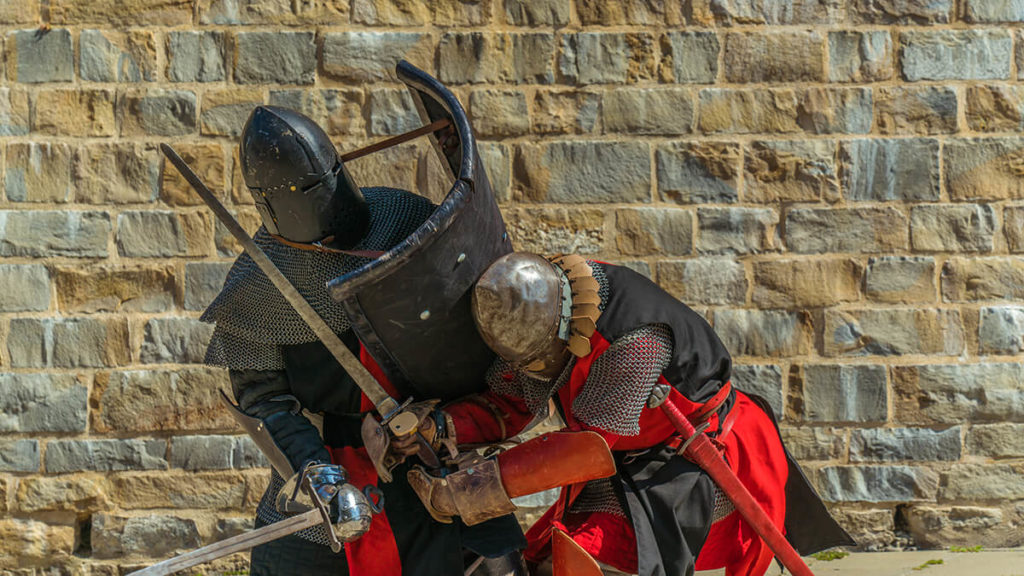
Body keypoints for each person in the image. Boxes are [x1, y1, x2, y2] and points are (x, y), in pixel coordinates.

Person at [201, 104, 524, 575]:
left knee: (488, 562)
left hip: (435, 452)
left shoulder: (410, 225)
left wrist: (449, 422)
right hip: (331, 468)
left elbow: (475, 330)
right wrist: (318, 476)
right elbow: (263, 400)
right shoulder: (257, 288)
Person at [391, 252, 854, 576]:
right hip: (629, 457)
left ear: (561, 327)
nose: (533, 370)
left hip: (693, 458)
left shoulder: (632, 339)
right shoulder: (547, 305)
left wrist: (472, 491)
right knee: (548, 550)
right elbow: (509, 403)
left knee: (587, 554)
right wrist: (442, 426)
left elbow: (585, 448)